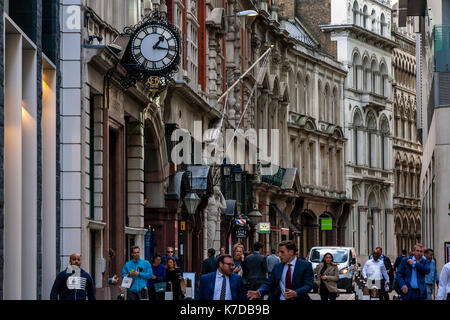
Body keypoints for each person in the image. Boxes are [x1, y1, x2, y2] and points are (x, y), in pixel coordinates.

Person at [247, 240, 314, 301]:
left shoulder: (305, 265)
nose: (279, 255)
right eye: (279, 252)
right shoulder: (277, 267)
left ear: (291, 252)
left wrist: (296, 292)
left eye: (282, 252)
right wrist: (259, 291)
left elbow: (308, 285)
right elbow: (269, 283)